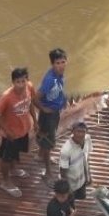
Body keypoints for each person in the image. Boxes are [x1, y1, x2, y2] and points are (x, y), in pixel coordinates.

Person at [0, 66, 35, 197]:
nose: (21, 85)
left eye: (23, 81)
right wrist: (7, 131)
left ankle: (14, 169)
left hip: (24, 129)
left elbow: (31, 102)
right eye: (18, 82)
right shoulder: (7, 97)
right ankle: (5, 181)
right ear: (13, 82)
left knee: (16, 154)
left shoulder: (29, 87)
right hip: (11, 135)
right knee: (6, 158)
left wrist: (35, 121)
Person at [35, 48, 69, 176]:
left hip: (55, 112)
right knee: (49, 142)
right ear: (52, 64)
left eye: (63, 62)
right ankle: (47, 170)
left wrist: (64, 99)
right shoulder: (50, 80)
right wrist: (43, 109)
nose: (61, 65)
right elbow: (35, 98)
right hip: (48, 115)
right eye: (57, 63)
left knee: (46, 137)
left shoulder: (60, 75)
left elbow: (59, 89)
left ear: (66, 61)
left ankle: (39, 156)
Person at [57, 120, 92, 201]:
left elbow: (87, 159)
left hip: (82, 180)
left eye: (83, 131)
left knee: (81, 198)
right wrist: (67, 189)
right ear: (72, 131)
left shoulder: (87, 139)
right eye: (78, 131)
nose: (80, 134)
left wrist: (89, 176)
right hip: (71, 185)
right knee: (70, 203)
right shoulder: (66, 150)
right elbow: (63, 172)